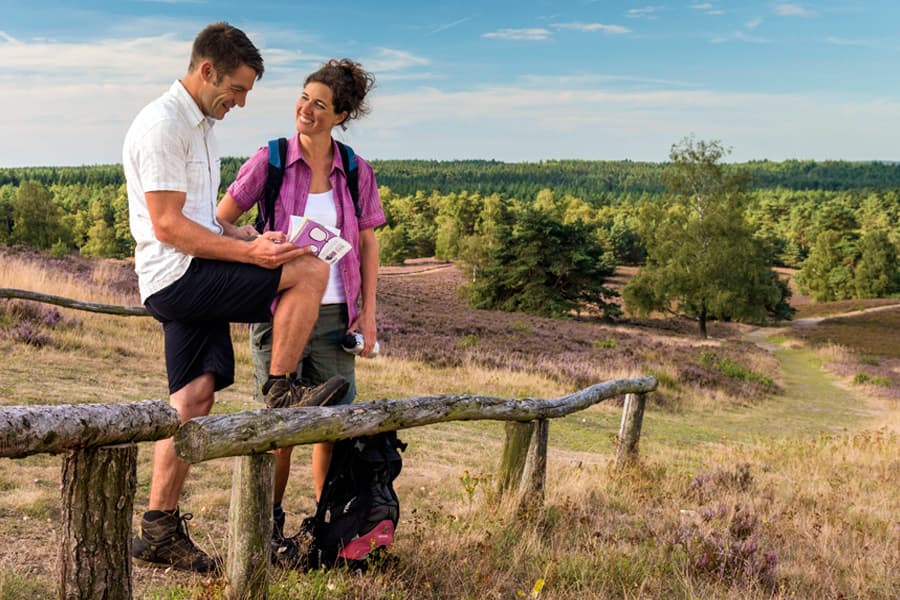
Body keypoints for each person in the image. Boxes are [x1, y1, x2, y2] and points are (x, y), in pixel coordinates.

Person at [123, 23, 348, 574]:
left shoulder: (199, 125)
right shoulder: (163, 125)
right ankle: (281, 389)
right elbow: (169, 226)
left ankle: (157, 529)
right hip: (179, 276)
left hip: (188, 269)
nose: (242, 102)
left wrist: (245, 237)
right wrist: (250, 257)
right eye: (238, 89)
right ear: (207, 71)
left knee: (194, 398)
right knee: (309, 269)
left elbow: (199, 220)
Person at [216, 58, 383, 565]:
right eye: (304, 98)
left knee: (332, 429)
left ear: (341, 116)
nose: (306, 110)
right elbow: (221, 220)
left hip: (336, 320)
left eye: (320, 105)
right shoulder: (268, 160)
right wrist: (253, 240)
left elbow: (369, 245)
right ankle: (265, 529)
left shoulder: (355, 170)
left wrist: (369, 314)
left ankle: (327, 526)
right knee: (278, 427)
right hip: (280, 313)